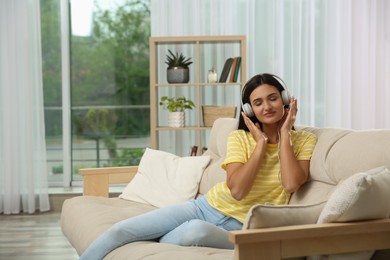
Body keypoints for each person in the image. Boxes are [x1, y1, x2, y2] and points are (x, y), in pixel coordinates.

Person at [79, 73, 317, 259]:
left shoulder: (304, 140)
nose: (267, 106)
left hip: (242, 227)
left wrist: (284, 134)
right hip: (205, 208)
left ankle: (153, 240)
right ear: (249, 110)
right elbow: (237, 190)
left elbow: (291, 183)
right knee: (120, 231)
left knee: (194, 231)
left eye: (273, 98)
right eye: (258, 102)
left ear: (285, 99)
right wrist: (261, 145)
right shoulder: (239, 139)